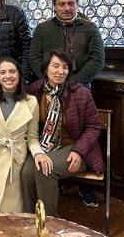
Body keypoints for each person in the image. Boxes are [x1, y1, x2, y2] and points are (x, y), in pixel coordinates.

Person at [29, 0, 105, 207]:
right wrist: (49, 79)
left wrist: (74, 83)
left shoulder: (89, 28)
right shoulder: (43, 29)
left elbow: (97, 59)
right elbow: (35, 59)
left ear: (77, 4)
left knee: (77, 132)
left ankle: (85, 188)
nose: (66, 7)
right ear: (54, 5)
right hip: (48, 89)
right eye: (61, 4)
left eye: (71, 3)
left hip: (79, 92)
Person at [21, 49, 105, 217]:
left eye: (65, 67)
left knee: (45, 169)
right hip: (45, 146)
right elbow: (11, 95)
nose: (61, 71)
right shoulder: (34, 91)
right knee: (26, 173)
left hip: (76, 149)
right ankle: (31, 220)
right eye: (56, 66)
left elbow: (93, 126)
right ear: (46, 69)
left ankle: (49, 223)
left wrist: (78, 150)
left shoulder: (80, 93)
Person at [0, 57, 51, 214]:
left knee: (11, 214)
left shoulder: (31, 101)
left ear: (19, 74)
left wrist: (39, 153)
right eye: (3, 72)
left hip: (15, 159)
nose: (8, 76)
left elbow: (33, 137)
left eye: (12, 71)